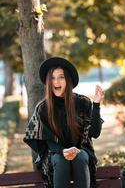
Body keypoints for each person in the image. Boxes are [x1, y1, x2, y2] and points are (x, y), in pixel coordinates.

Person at [23, 57, 104, 188]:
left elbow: (95, 133)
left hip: (81, 150)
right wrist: (63, 151)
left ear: (68, 80)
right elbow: (46, 141)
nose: (56, 82)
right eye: (53, 78)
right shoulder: (43, 108)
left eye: (61, 77)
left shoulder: (83, 102)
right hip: (54, 154)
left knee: (81, 156)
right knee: (60, 160)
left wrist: (96, 104)